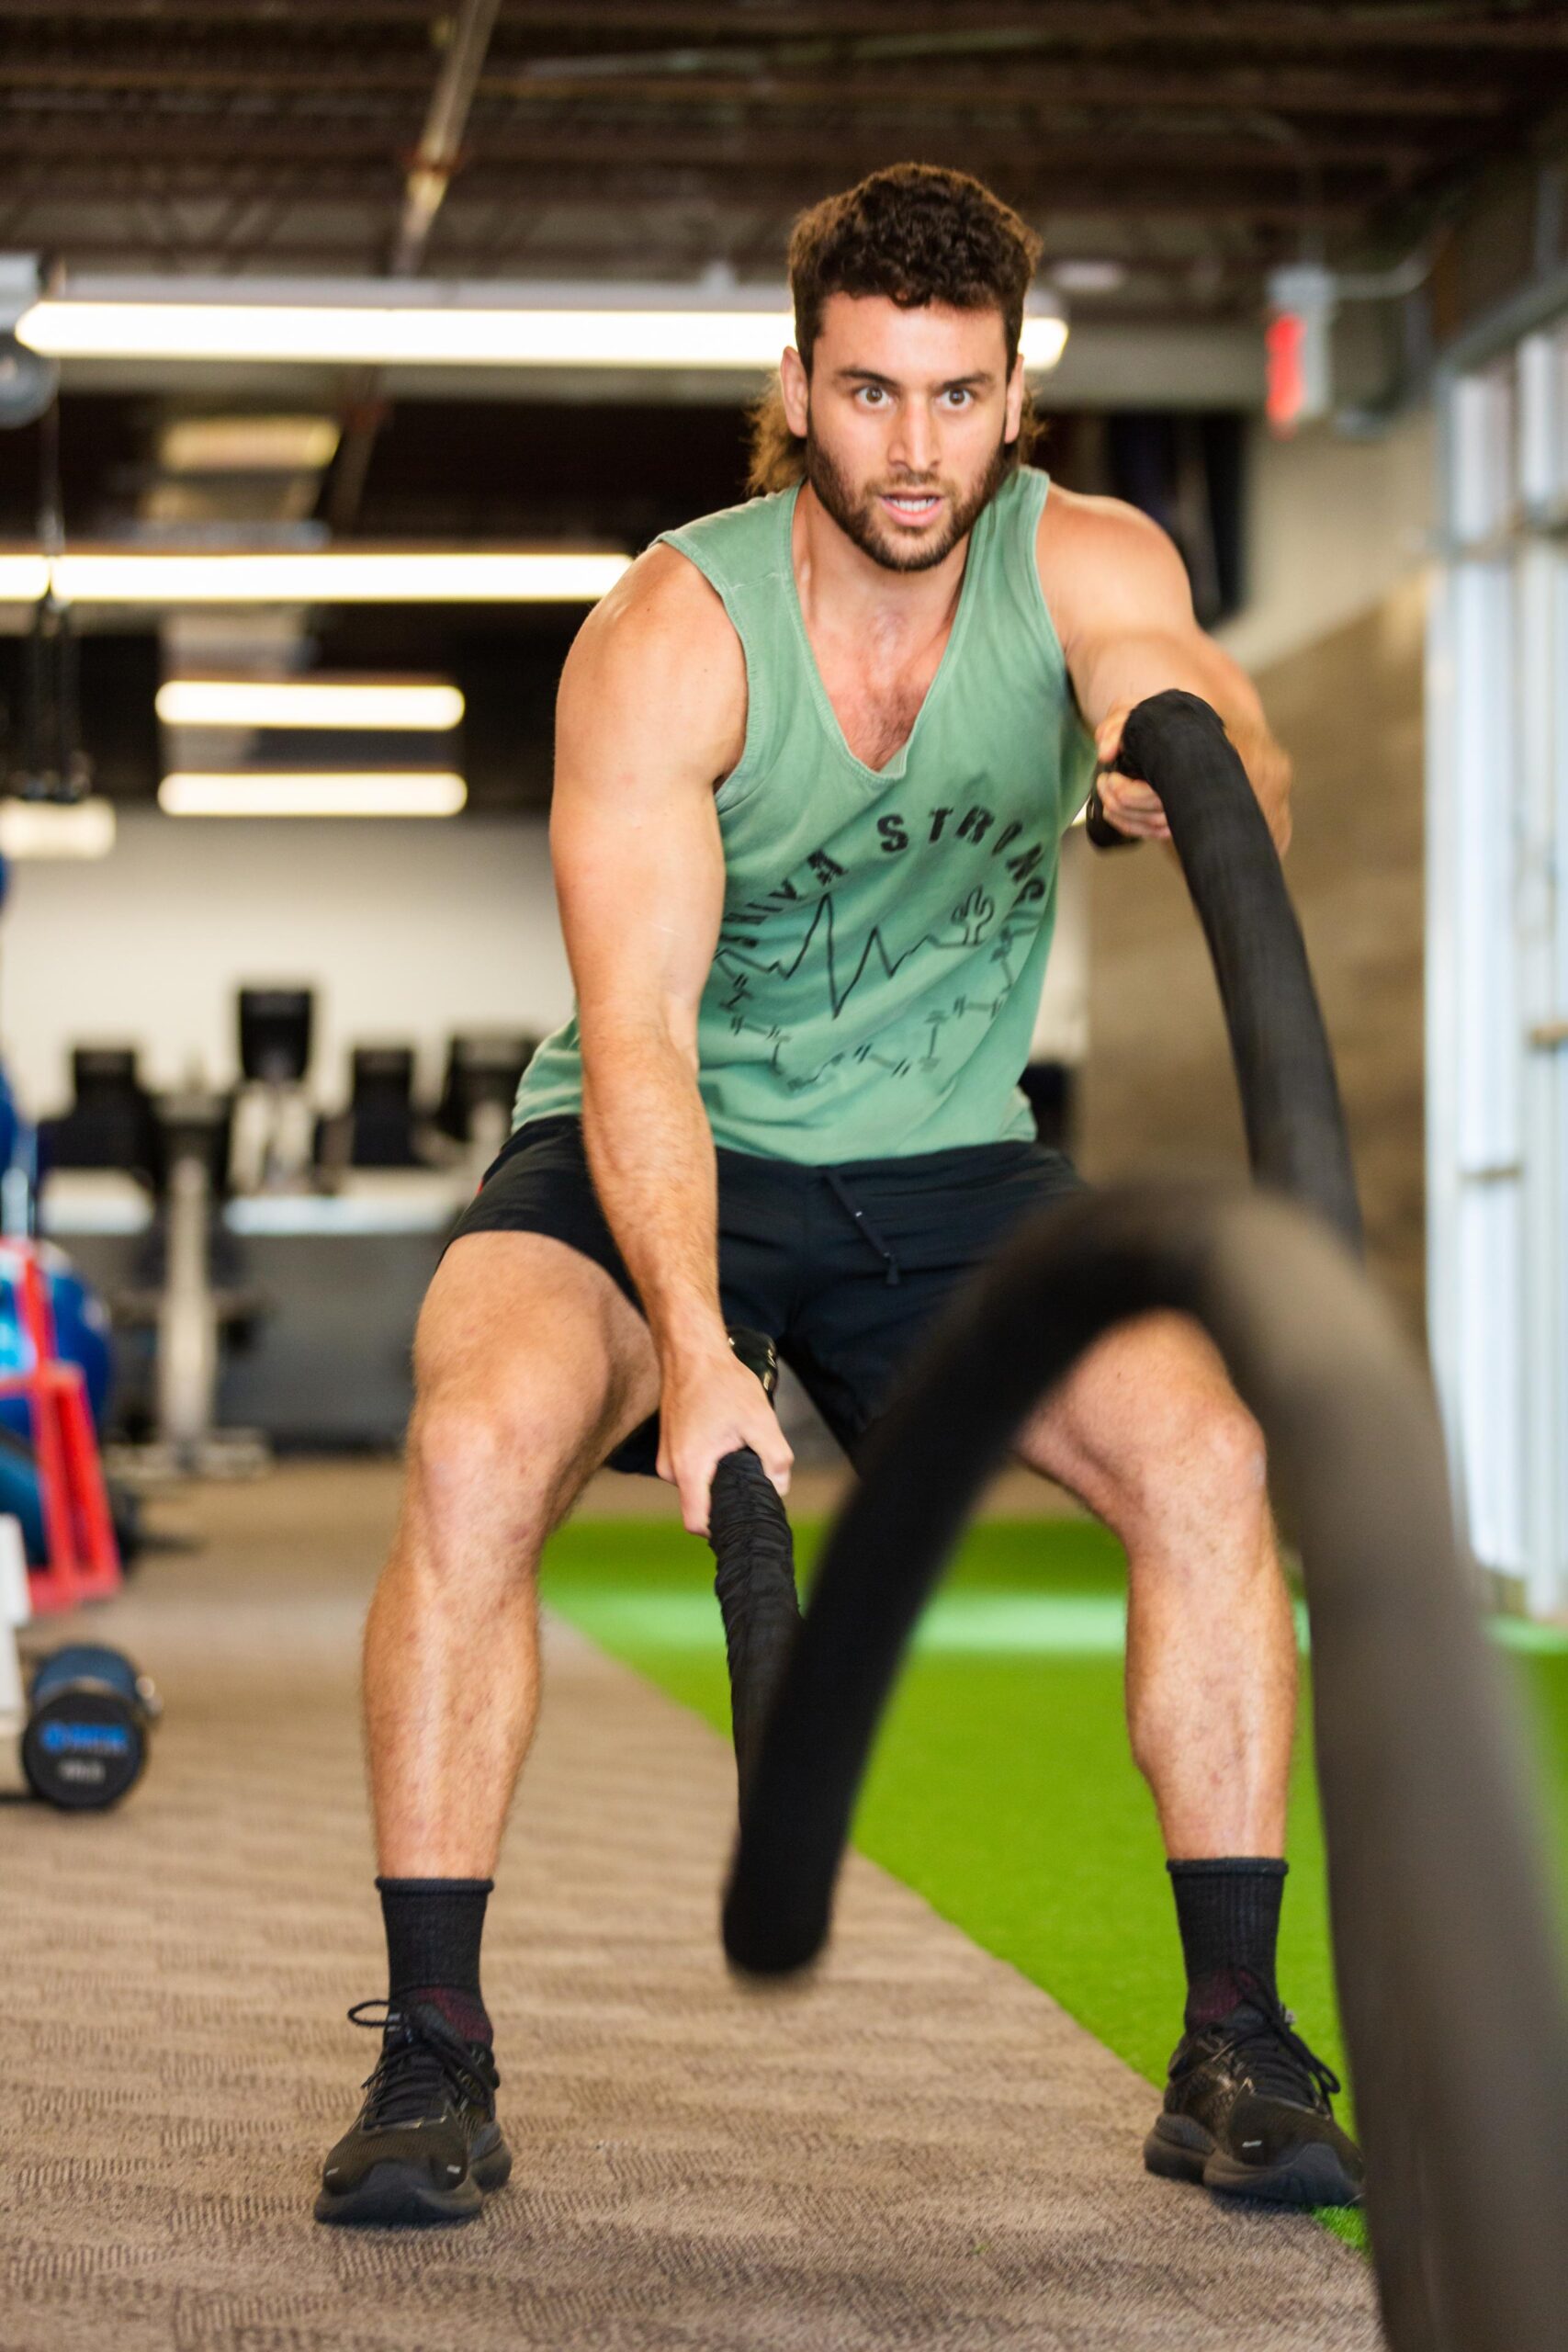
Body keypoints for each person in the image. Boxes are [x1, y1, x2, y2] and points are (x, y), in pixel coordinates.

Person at [316, 163, 1362, 2227]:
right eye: (869, 394)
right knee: (473, 1435)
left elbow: (1208, 699)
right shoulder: (669, 632)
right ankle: (430, 2053)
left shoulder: (1080, 560)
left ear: (1010, 391)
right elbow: (632, 1036)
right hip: (662, 1134)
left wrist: (1193, 756)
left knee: (1207, 1454)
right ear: (794, 383)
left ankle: (1229, 2036)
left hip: (949, 1162)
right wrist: (698, 1360)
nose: (914, 447)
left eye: (955, 397)